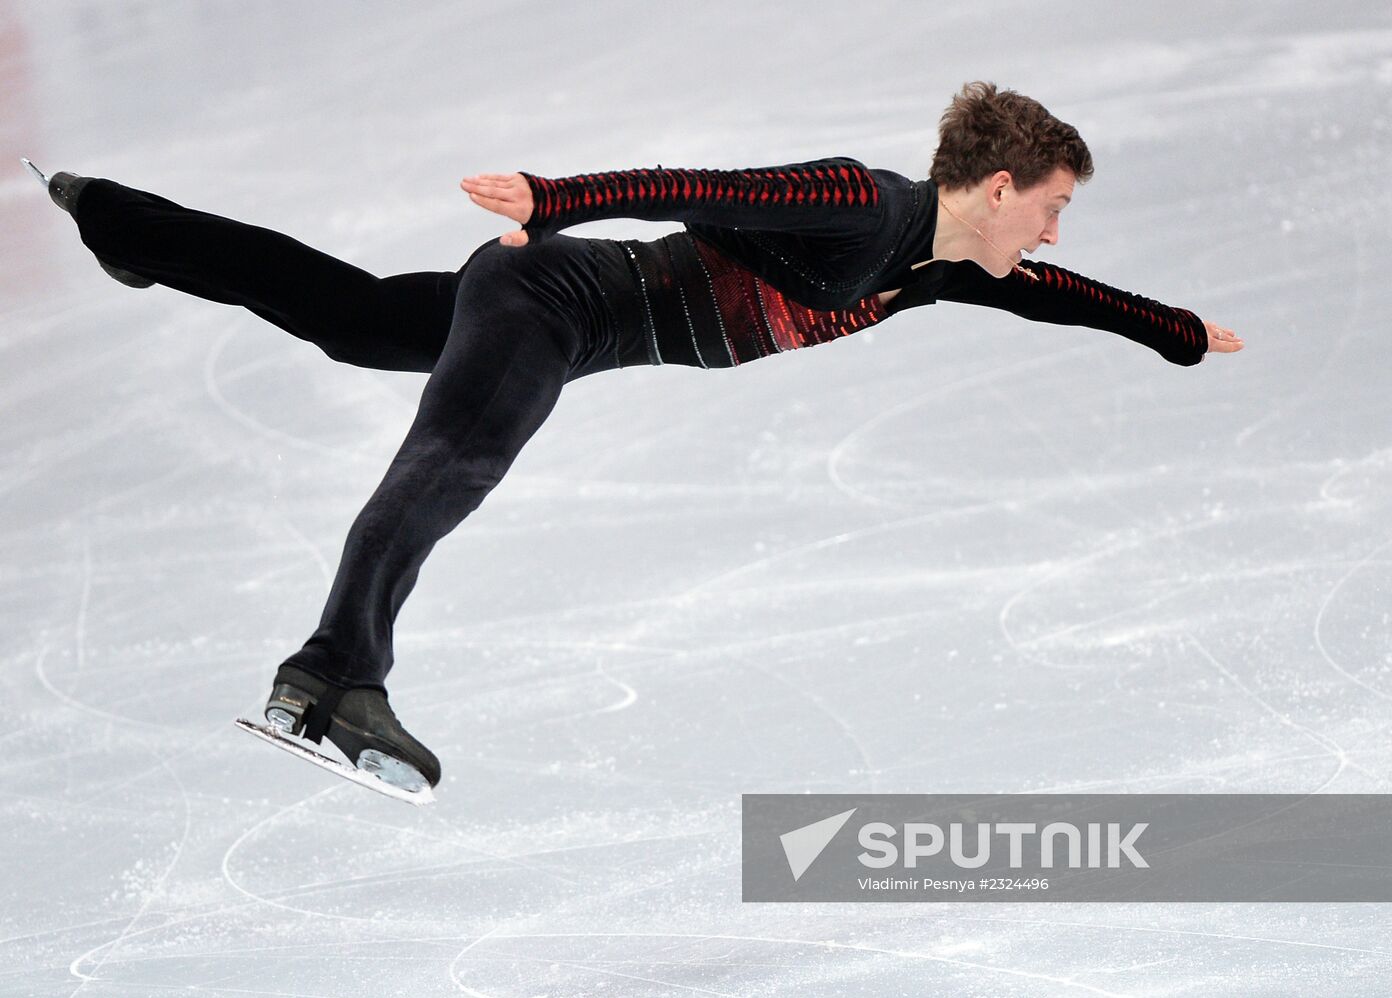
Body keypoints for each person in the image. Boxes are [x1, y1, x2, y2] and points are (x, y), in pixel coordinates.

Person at [26, 81, 1242, 795]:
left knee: (352, 317)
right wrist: (553, 201)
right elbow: (696, 184)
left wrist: (1177, 331)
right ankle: (334, 676)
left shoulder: (930, 266)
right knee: (454, 461)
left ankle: (124, 227)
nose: (1054, 232)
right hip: (549, 300)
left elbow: (1052, 294)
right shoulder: (862, 203)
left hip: (571, 314)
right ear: (998, 185)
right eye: (1053, 205)